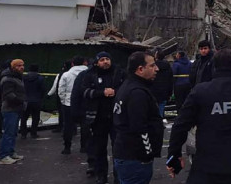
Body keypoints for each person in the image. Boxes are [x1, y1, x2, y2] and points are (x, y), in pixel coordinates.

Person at [167, 49, 231, 184]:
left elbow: (181, 125)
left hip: (208, 163)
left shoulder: (201, 91)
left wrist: (174, 154)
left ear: (214, 66)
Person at [113, 52, 163, 184]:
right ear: (140, 69)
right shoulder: (137, 93)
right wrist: (148, 153)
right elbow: (139, 128)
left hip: (127, 154)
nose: (156, 69)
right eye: (152, 66)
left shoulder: (129, 86)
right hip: (135, 158)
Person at [83, 52, 125, 184]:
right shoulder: (90, 74)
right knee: (99, 149)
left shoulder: (119, 73)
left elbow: (126, 88)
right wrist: (101, 93)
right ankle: (101, 175)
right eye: (102, 60)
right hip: (97, 118)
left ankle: (118, 176)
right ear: (97, 62)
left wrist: (115, 91)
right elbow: (84, 91)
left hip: (116, 117)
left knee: (118, 148)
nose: (105, 62)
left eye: (107, 59)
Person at [59, 56, 88, 154]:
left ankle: (67, 147)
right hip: (85, 102)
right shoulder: (89, 73)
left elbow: (61, 90)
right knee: (85, 126)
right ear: (85, 62)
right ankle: (84, 147)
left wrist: (64, 101)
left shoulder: (66, 74)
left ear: (72, 64)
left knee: (68, 126)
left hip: (69, 103)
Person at [0, 59, 25, 165]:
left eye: (22, 65)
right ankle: (4, 156)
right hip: (10, 109)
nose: (22, 67)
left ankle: (11, 152)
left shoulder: (17, 77)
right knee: (9, 133)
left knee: (13, 132)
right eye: (19, 66)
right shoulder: (8, 79)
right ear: (13, 67)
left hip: (16, 108)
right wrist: (20, 101)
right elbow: (8, 94)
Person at [20, 64, 44, 139]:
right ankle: (33, 133)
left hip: (26, 100)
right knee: (35, 117)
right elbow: (43, 89)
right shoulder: (40, 78)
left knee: (24, 117)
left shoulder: (24, 77)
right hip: (36, 100)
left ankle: (23, 133)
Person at [48, 61, 72, 133]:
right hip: (71, 96)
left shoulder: (61, 74)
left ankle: (61, 127)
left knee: (61, 113)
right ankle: (71, 129)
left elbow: (55, 86)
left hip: (61, 96)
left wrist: (49, 94)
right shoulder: (72, 74)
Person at [151, 51, 173, 119]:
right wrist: (170, 93)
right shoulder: (168, 66)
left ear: (156, 56)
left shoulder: (152, 66)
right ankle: (160, 122)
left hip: (153, 91)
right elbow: (171, 81)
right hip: (164, 91)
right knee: (161, 108)